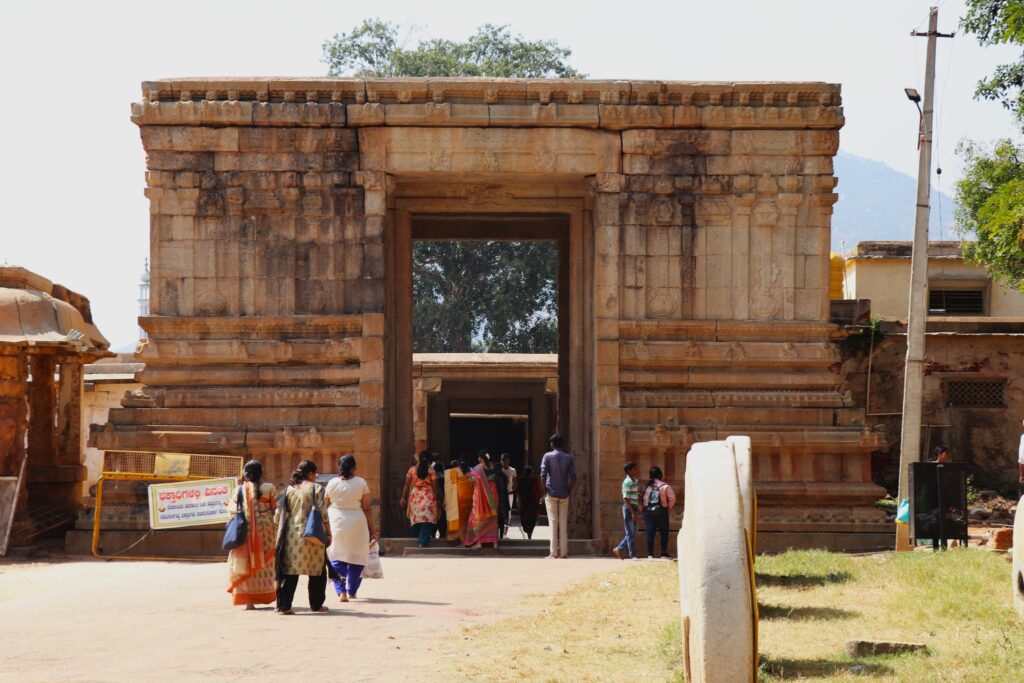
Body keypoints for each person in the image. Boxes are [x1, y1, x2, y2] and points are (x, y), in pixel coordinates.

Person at [275, 459, 329, 615]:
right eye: (315, 473)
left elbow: (279, 515)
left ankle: (285, 606)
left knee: (291, 571)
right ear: (311, 474)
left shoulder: (289, 490)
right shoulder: (317, 489)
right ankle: (316, 604)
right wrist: (329, 533)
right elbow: (323, 514)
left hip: (292, 535)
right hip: (313, 532)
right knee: (317, 570)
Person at [324, 454, 377, 602]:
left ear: (339, 467)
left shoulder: (331, 483)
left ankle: (341, 591)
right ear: (354, 467)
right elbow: (367, 508)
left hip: (336, 521)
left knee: (336, 557)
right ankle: (351, 590)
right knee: (357, 558)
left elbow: (325, 505)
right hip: (357, 522)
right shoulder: (361, 483)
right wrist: (373, 530)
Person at [226, 460, 277, 609]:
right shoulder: (269, 488)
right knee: (265, 564)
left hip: (245, 533)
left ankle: (249, 602)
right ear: (261, 473)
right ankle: (265, 594)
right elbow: (276, 510)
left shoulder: (239, 490)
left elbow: (232, 511)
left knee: (246, 563)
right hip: (266, 532)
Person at [540, 434, 576, 559]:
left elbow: (543, 475)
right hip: (564, 493)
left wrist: (544, 491)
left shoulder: (547, 456)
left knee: (553, 522)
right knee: (563, 522)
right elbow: (573, 477)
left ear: (552, 444)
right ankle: (564, 552)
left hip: (551, 492)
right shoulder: (568, 458)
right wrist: (569, 489)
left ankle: (553, 552)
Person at [400, 451, 439, 547]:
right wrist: (440, 498)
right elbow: (435, 487)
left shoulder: (412, 470)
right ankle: (423, 541)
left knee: (416, 519)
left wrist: (403, 497)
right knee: (427, 520)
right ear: (429, 459)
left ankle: (417, 539)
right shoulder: (431, 471)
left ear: (419, 458)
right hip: (428, 498)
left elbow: (406, 484)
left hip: (415, 497)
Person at [464, 451, 500, 549]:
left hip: (480, 497)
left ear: (480, 458)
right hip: (493, 495)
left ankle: (479, 543)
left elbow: (472, 480)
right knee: (492, 518)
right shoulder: (494, 467)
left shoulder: (477, 469)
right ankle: (494, 542)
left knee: (478, 518)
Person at [641, 466, 676, 560]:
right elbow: (672, 498)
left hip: (649, 513)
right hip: (662, 512)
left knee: (650, 533)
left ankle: (650, 554)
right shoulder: (665, 486)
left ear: (650, 475)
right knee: (664, 533)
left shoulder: (646, 486)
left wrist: (644, 509)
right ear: (660, 475)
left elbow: (643, 499)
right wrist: (668, 508)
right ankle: (663, 553)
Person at [612, 461, 641, 560]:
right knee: (630, 532)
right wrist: (633, 512)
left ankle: (619, 548)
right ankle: (632, 554)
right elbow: (626, 498)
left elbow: (636, 495)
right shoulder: (627, 482)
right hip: (629, 508)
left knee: (632, 533)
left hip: (634, 507)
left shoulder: (634, 481)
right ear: (629, 471)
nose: (636, 470)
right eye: (634, 469)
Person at [516, 465, 545, 539]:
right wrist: (518, 499)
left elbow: (538, 489)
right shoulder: (521, 480)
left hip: (532, 502)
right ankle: (529, 533)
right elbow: (519, 490)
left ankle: (529, 534)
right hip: (526, 501)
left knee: (532, 518)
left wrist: (541, 497)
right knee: (528, 518)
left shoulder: (535, 479)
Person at [444, 459, 463, 542]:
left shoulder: (449, 473)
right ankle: (460, 536)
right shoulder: (462, 472)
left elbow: (447, 488)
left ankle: (452, 536)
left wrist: (445, 500)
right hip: (460, 498)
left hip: (452, 499)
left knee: (452, 518)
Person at [494, 454, 510, 540]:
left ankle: (498, 535)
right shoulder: (503, 476)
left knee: (497, 519)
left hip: (498, 500)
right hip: (502, 500)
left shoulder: (495, 477)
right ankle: (500, 536)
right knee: (501, 519)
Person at [500, 453, 517, 528]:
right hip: (501, 493)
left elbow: (515, 481)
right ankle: (503, 522)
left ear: (508, 461)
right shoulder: (499, 470)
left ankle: (508, 523)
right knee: (501, 509)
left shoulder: (512, 470)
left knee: (509, 508)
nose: (503, 462)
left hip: (509, 492)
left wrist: (515, 490)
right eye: (502, 460)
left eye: (505, 460)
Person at [433, 458, 447, 539]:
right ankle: (442, 535)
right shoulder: (445, 478)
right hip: (443, 500)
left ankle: (433, 535)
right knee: (442, 519)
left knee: (435, 518)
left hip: (435, 500)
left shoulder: (433, 478)